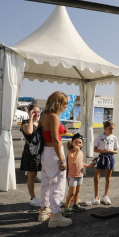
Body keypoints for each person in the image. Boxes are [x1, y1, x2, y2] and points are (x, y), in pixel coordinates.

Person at [38, 91, 72, 228]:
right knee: (58, 184)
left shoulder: (44, 115)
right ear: (58, 103)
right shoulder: (54, 117)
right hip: (53, 152)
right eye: (64, 104)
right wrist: (62, 159)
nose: (65, 107)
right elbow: (55, 140)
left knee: (46, 182)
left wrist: (61, 131)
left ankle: (44, 210)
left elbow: (45, 133)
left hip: (45, 152)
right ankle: (56, 216)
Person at [86, 121, 119, 206]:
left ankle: (105, 196)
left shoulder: (114, 138)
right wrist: (102, 151)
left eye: (113, 129)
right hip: (102, 157)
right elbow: (95, 149)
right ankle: (96, 198)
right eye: (110, 129)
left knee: (108, 177)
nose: (111, 130)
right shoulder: (100, 137)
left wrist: (111, 151)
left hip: (110, 157)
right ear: (105, 128)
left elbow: (116, 151)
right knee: (96, 178)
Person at [62, 133, 93, 214]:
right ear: (72, 143)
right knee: (71, 192)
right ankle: (66, 207)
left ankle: (75, 205)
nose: (78, 144)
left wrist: (88, 165)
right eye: (76, 142)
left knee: (77, 191)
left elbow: (80, 163)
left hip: (80, 175)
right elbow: (74, 161)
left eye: (80, 142)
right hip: (72, 176)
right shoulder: (70, 152)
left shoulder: (81, 152)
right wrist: (77, 152)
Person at [20, 104, 42, 207]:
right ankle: (33, 197)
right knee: (32, 175)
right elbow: (29, 132)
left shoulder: (40, 123)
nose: (36, 114)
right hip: (30, 152)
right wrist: (30, 118)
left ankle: (45, 196)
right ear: (29, 112)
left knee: (44, 175)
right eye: (34, 111)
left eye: (38, 112)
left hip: (40, 152)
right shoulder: (25, 123)